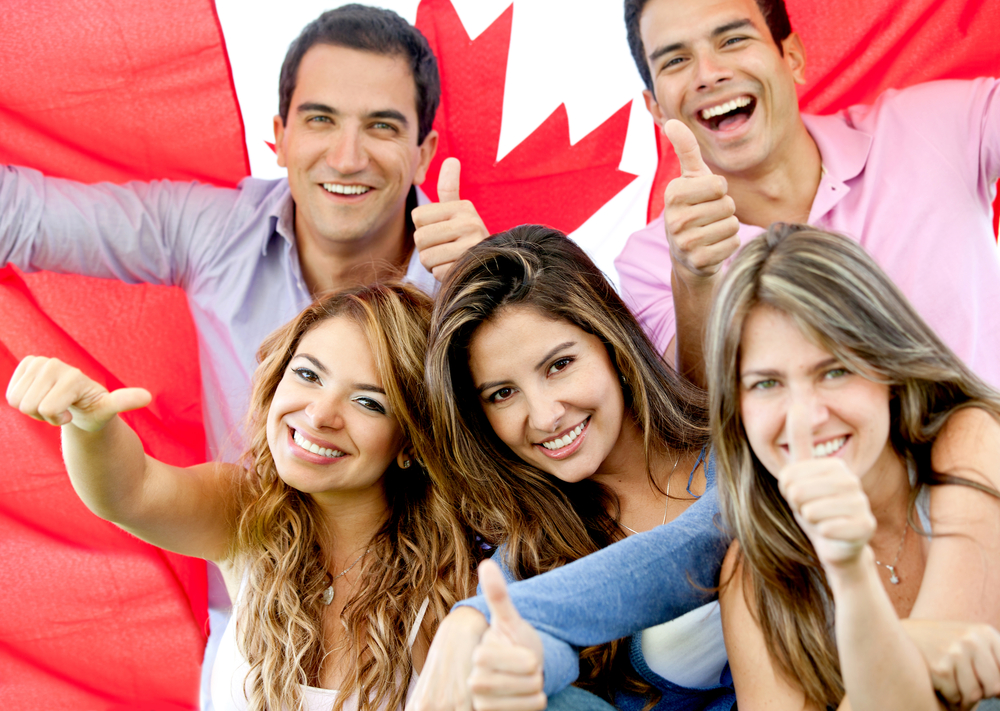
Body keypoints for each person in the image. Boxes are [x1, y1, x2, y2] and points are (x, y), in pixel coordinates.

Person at [0, 5, 488, 702]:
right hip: (253, 604)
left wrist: (492, 292)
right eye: (321, 120)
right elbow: (131, 487)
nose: (347, 156)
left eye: (381, 126)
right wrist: (88, 421)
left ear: (424, 151)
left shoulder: (472, 274)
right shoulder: (215, 234)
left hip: (422, 603)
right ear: (280, 136)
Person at [5, 282, 477, 711]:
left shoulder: (455, 582)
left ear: (412, 442)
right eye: (309, 375)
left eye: (368, 402)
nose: (319, 414)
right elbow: (130, 491)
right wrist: (90, 426)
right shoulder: (243, 511)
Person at [408, 225, 733, 711]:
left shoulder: (731, 450)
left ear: (611, 342)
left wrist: (469, 621)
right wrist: (508, 665)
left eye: (558, 365)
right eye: (503, 393)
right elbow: (541, 659)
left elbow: (712, 537)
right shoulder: (525, 557)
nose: (544, 416)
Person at [614, 0, 1000, 389]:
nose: (708, 74)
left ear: (793, 57)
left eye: (732, 39)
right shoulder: (651, 263)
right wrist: (693, 280)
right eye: (675, 61)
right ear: (656, 109)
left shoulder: (937, 124)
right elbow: (697, 415)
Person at [707, 224, 1000, 709]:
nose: (806, 417)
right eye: (766, 383)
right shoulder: (755, 574)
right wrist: (858, 581)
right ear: (735, 406)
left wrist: (852, 576)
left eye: (835, 370)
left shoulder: (970, 439)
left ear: (887, 367)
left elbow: (937, 699)